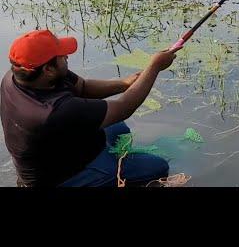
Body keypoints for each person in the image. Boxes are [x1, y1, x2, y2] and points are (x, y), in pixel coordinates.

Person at [0, 29, 181, 187]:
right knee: (158, 168)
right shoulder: (55, 110)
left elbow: (83, 87)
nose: (67, 56)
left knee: (119, 128)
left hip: (58, 150)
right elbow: (124, 107)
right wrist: (155, 66)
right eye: (61, 56)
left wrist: (124, 83)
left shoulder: (20, 76)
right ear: (48, 69)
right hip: (60, 178)